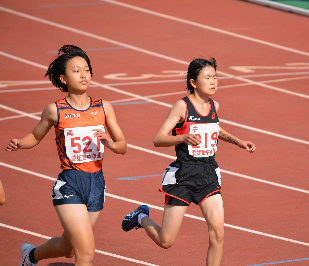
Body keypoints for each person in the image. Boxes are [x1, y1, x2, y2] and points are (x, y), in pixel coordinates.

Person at [121, 58, 256, 266]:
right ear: (193, 82)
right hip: (183, 174)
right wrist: (182, 138)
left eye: (215, 77)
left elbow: (214, 128)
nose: (213, 82)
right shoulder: (182, 106)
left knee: (218, 233)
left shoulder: (214, 105)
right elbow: (158, 139)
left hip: (208, 173)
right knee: (166, 241)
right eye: (207, 77)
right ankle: (140, 217)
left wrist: (238, 142)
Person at [5, 45, 127, 266]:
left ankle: (30, 256)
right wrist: (20, 143)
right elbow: (35, 135)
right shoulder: (55, 110)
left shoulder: (104, 107)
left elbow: (123, 146)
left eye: (87, 70)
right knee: (86, 254)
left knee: (67, 249)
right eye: (76, 70)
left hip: (96, 184)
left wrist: (109, 142)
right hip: (70, 184)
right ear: (63, 78)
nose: (83, 75)